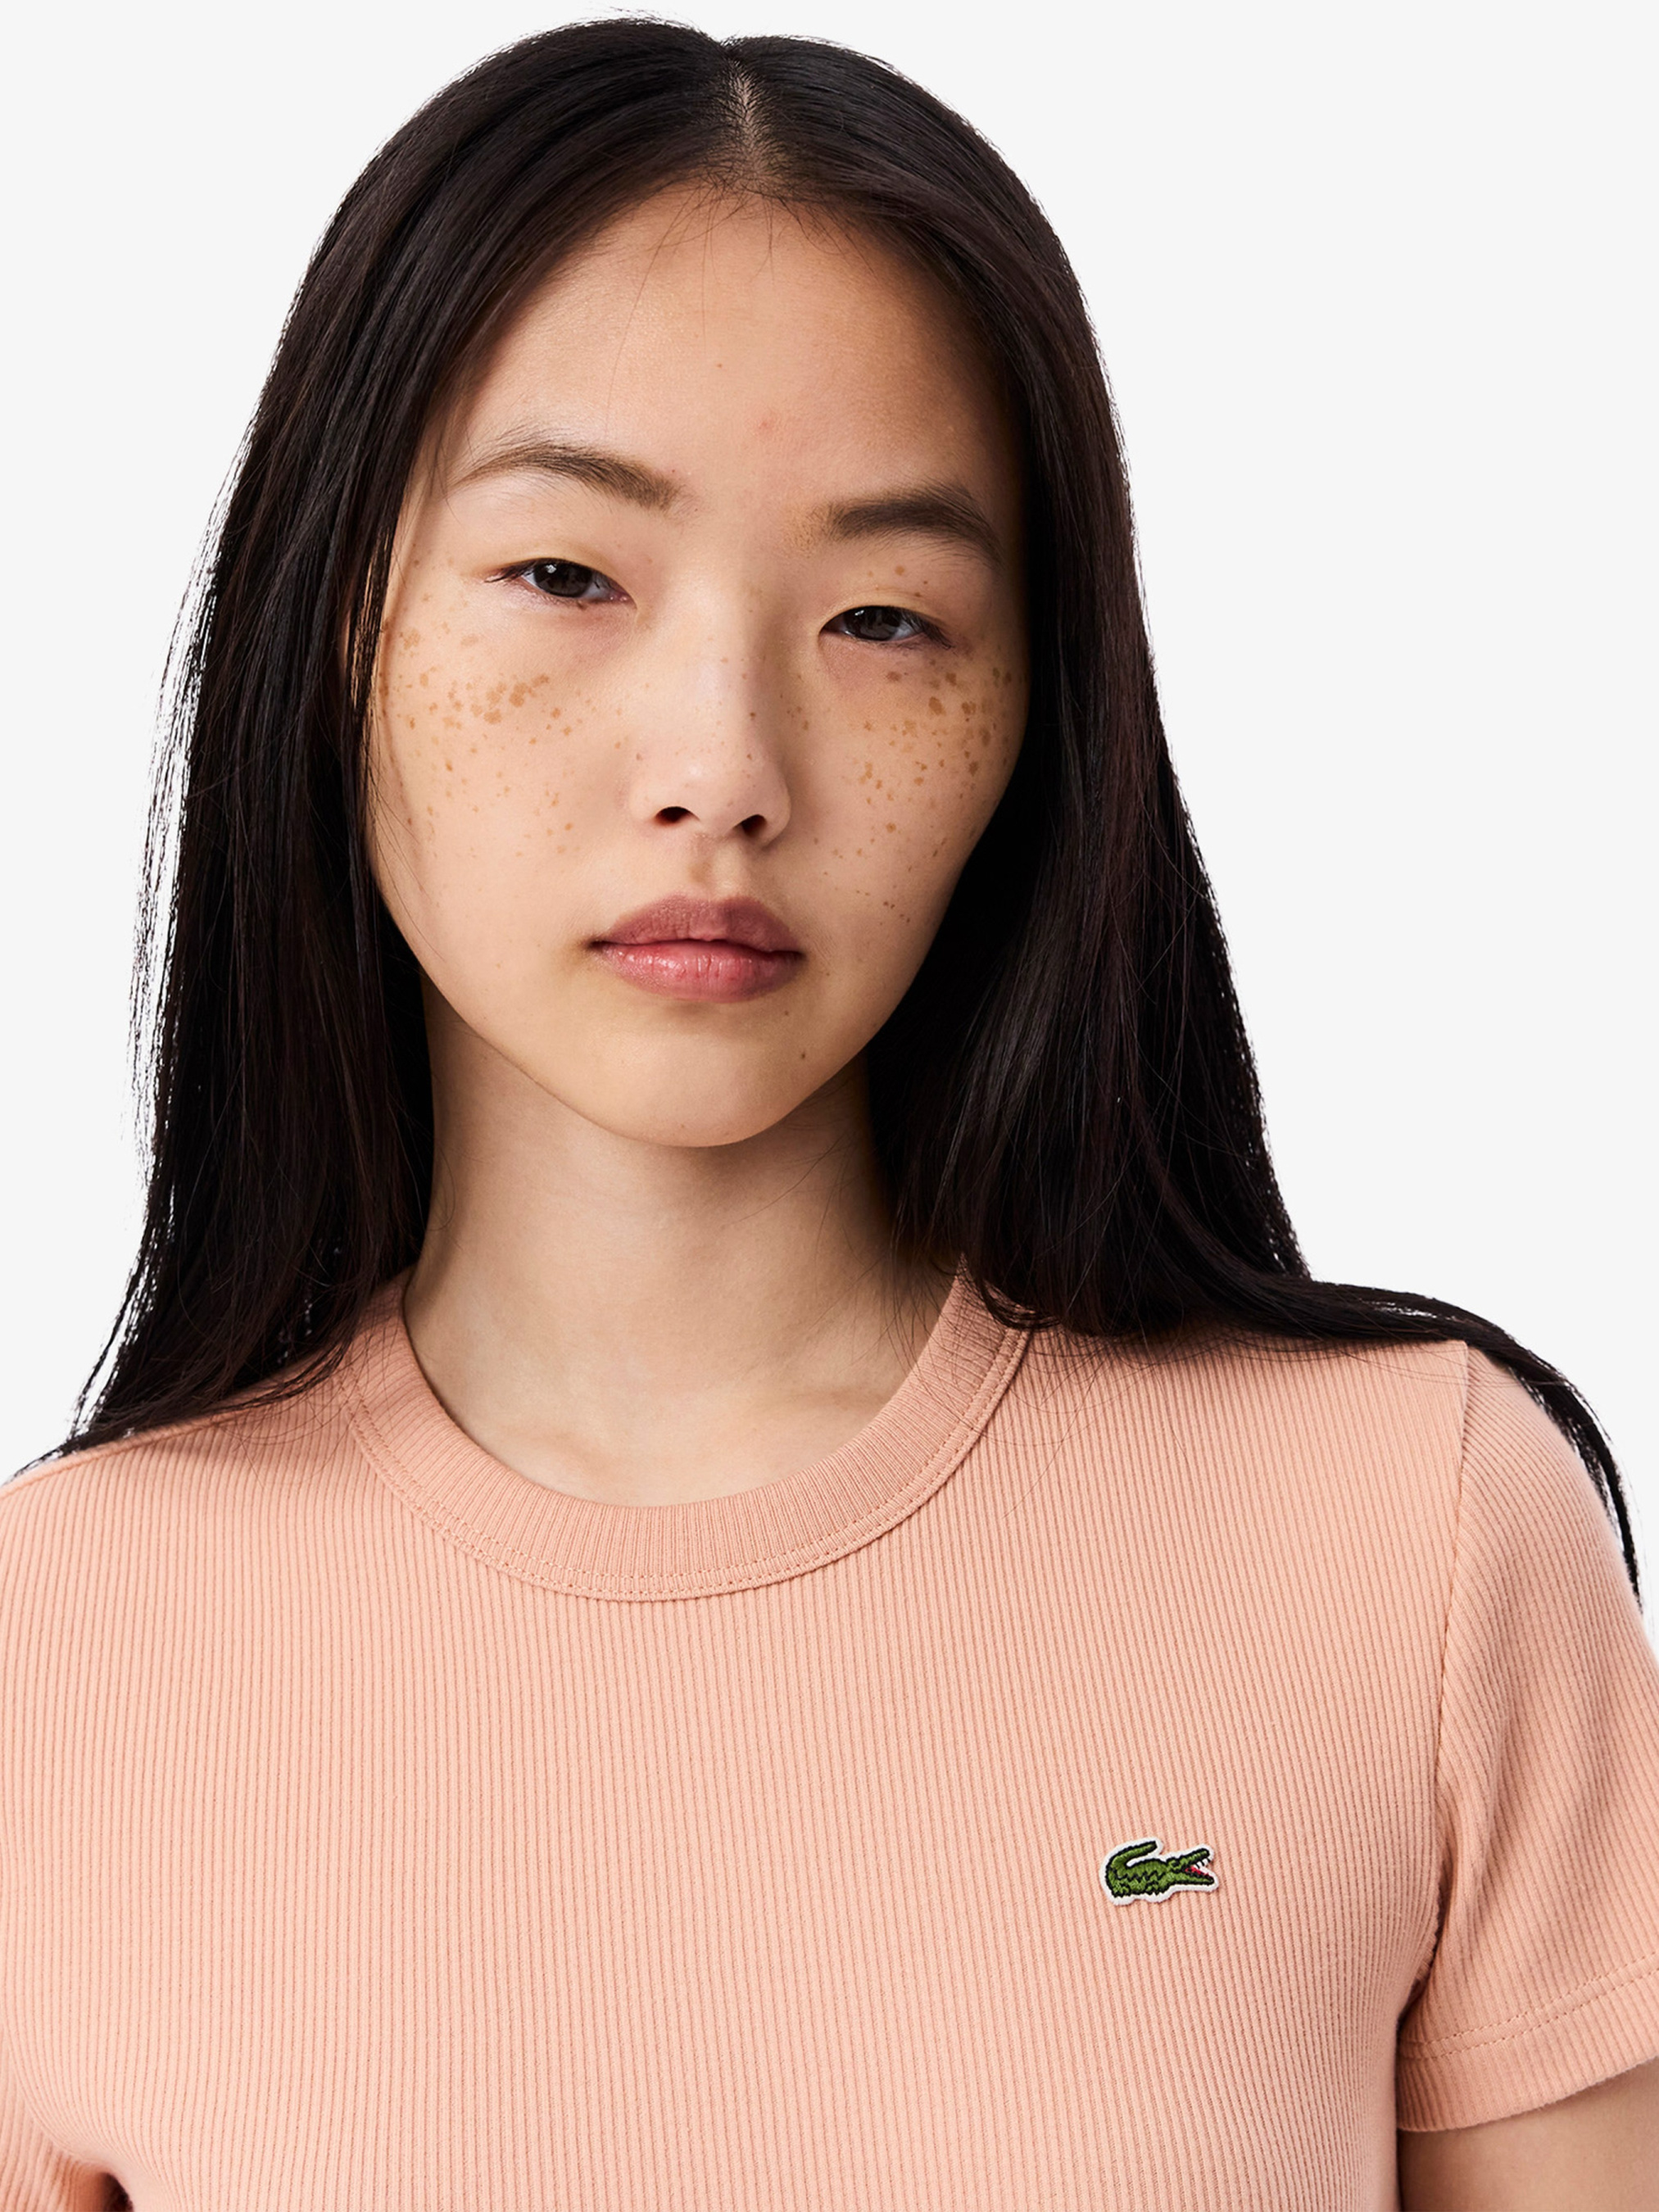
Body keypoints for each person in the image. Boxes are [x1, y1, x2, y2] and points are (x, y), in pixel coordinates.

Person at [2, 21, 1656, 2210]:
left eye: (886, 617)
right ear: (332, 630)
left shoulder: (1413, 1533)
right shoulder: (57, 1655)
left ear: (1035, 720)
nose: (725, 763)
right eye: (567, 576)